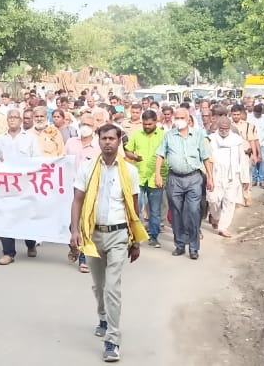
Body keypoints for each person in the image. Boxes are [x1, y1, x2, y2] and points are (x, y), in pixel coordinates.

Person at [69, 124, 145, 363]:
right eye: (104, 138)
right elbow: (78, 200)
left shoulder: (129, 171)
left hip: (119, 235)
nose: (108, 142)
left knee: (112, 287)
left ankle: (112, 339)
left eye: (112, 138)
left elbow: (134, 207)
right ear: (99, 140)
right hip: (93, 234)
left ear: (119, 141)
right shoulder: (88, 167)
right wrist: (74, 231)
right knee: (99, 285)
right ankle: (102, 316)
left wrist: (136, 241)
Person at [155, 108, 212, 260]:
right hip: (175, 179)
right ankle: (179, 244)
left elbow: (206, 157)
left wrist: (210, 178)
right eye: (177, 117)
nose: (179, 120)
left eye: (182, 117)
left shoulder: (198, 135)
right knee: (176, 213)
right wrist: (158, 174)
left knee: (193, 211)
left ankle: (193, 247)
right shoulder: (169, 136)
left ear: (188, 119)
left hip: (194, 178)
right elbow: (160, 155)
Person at [0, 109, 38, 265]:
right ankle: (8, 252)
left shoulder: (30, 139)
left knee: (27, 216)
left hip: (25, 184)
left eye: (15, 117)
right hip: (5, 185)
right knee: (6, 217)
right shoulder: (0, 139)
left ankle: (31, 244)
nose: (12, 120)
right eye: (10, 117)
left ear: (21, 120)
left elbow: (37, 160)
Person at [123, 110, 165, 248]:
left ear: (155, 122)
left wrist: (162, 174)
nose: (147, 126)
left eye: (149, 124)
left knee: (155, 210)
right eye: (144, 124)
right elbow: (127, 150)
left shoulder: (163, 136)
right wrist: (134, 156)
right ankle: (136, 236)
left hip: (155, 178)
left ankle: (153, 237)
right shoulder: (136, 134)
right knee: (136, 208)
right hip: (138, 177)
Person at [208, 118, 250, 238]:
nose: (224, 131)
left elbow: (243, 160)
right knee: (213, 199)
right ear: (218, 127)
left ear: (230, 127)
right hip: (216, 175)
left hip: (232, 175)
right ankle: (215, 217)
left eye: (226, 128)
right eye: (221, 128)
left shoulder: (236, 140)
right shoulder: (211, 139)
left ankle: (223, 227)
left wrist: (245, 178)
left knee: (229, 201)